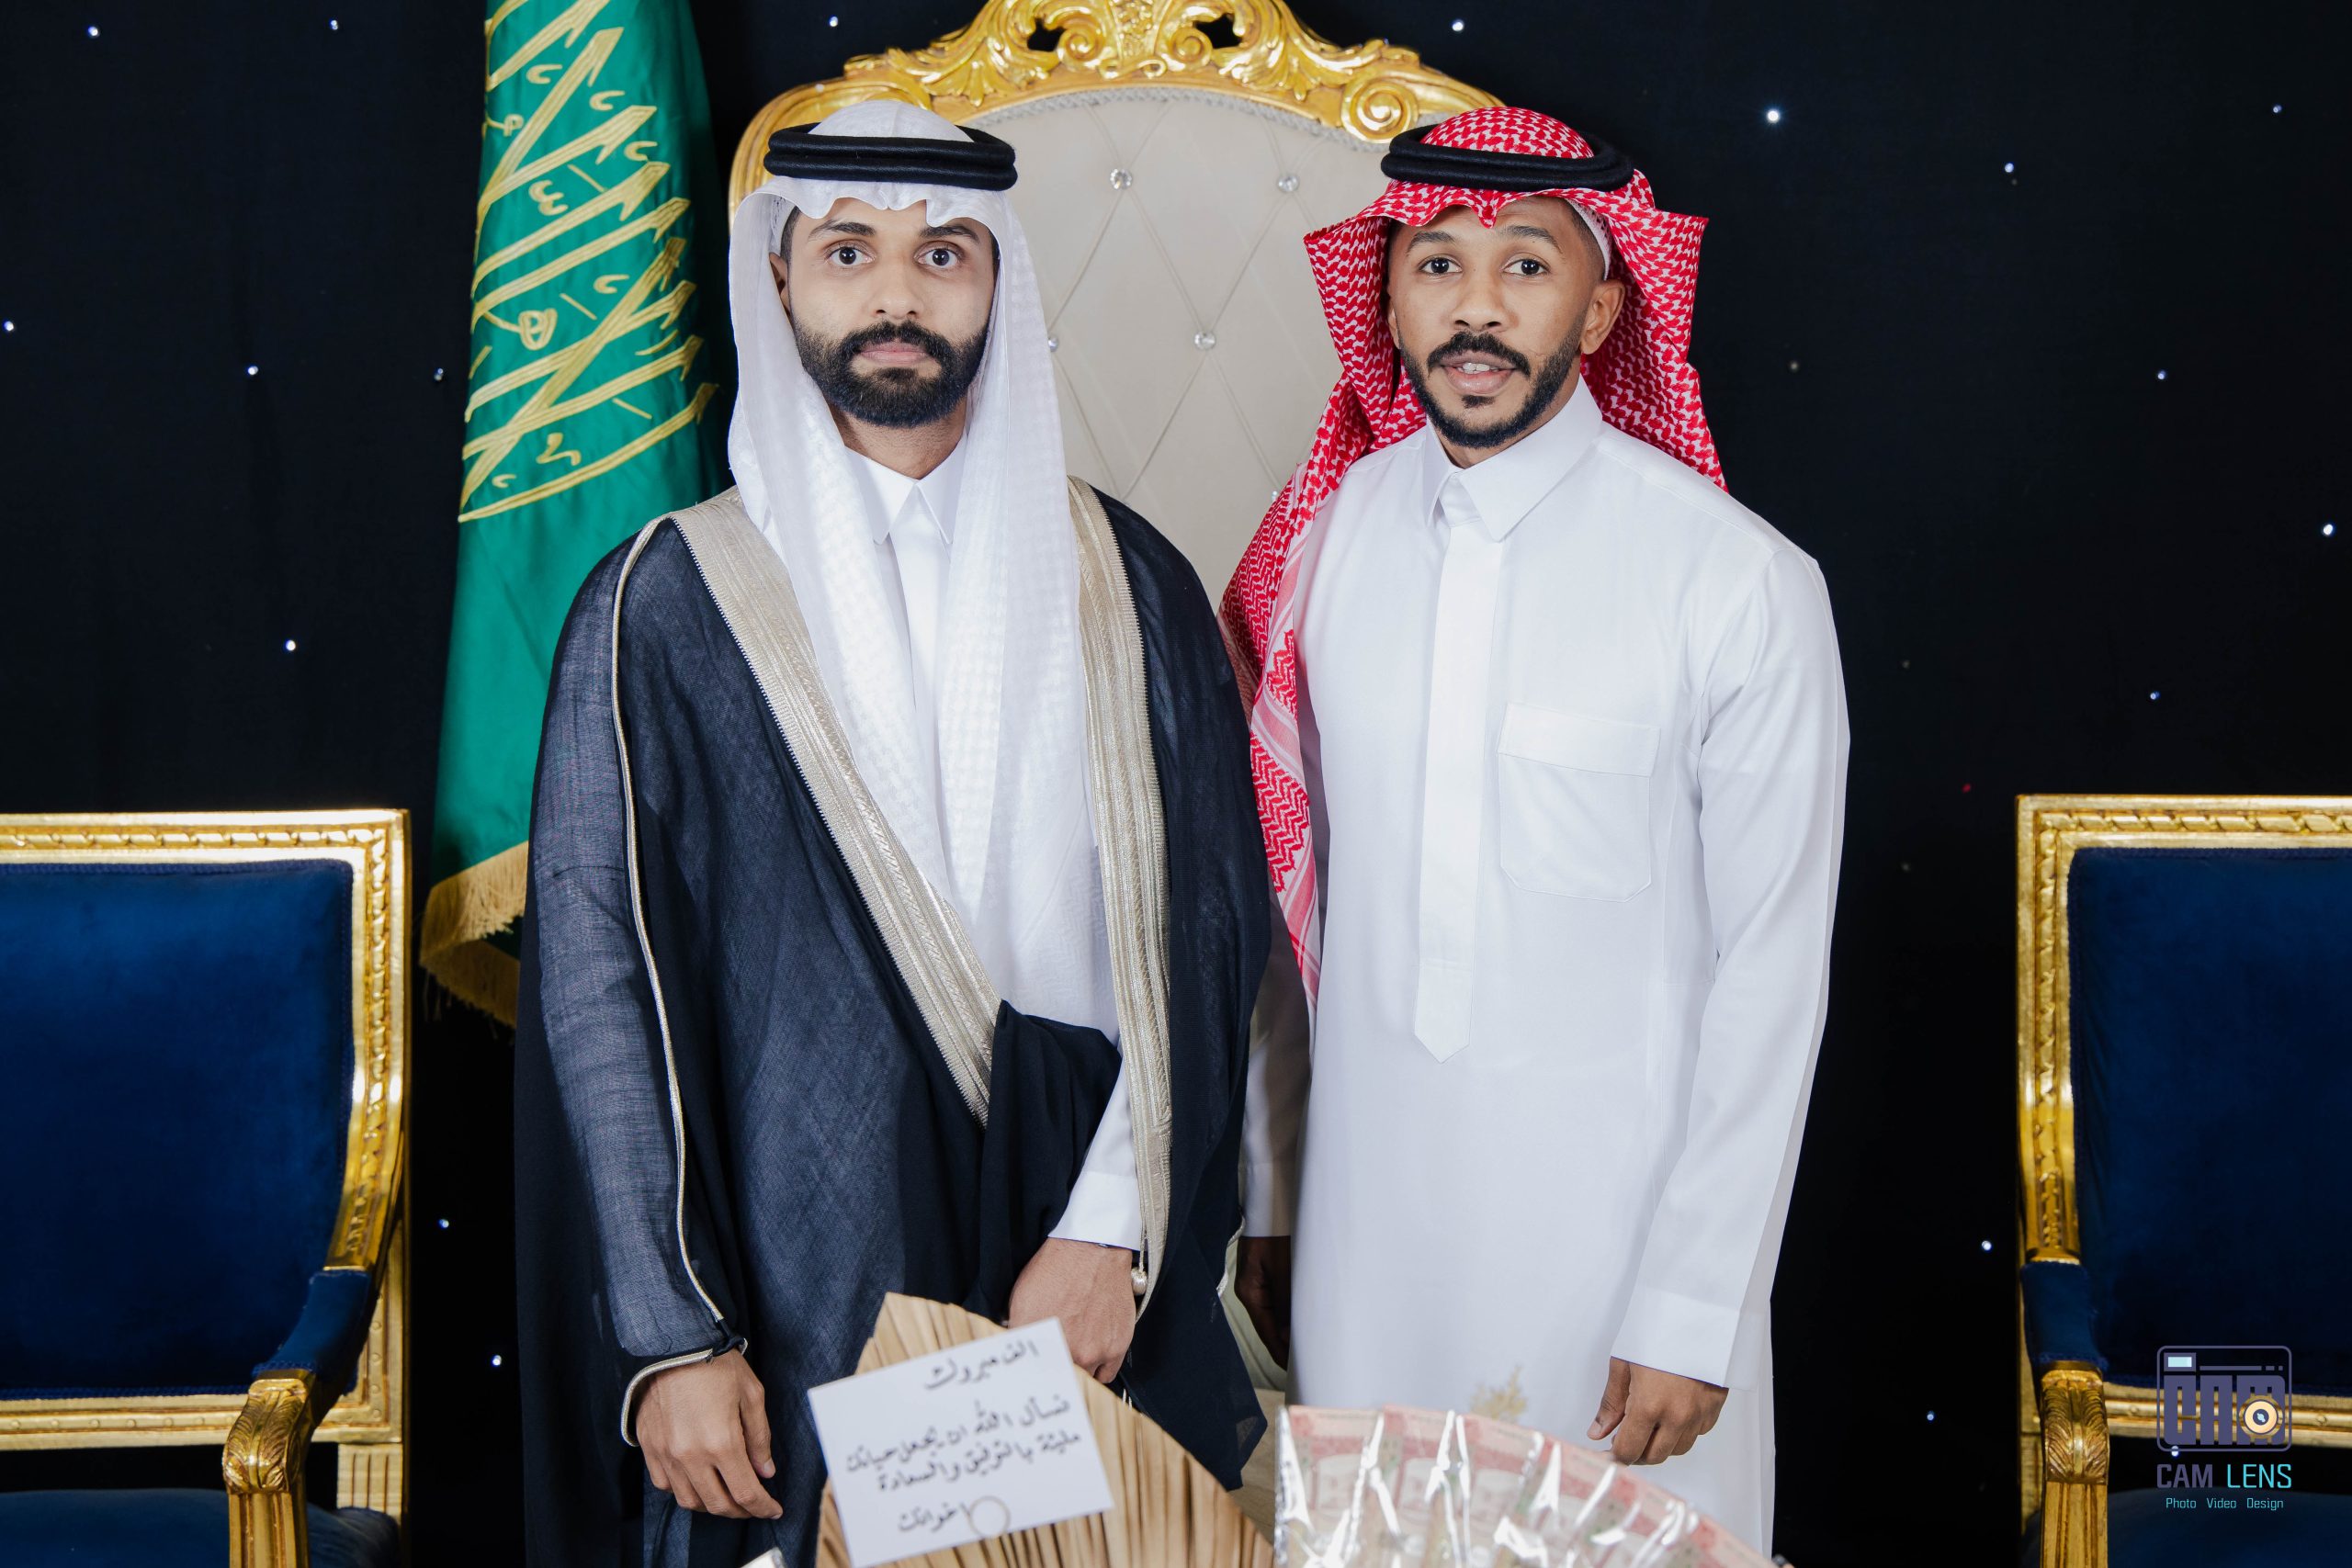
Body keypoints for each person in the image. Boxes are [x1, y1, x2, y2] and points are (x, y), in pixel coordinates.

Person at [513, 101, 1266, 1568]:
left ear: (1000, 285)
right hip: (792, 1275)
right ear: (781, 280)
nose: (898, 294)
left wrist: (1113, 1231)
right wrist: (673, 1337)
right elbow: (601, 987)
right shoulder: (666, 599)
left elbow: (1208, 933)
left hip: (1067, 1269)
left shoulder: (1130, 584)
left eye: (946, 254)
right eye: (849, 252)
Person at [1226, 107, 1848, 1551]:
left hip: (1618, 1264)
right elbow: (1282, 907)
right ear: (1387, 301)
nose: (1478, 309)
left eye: (1526, 265)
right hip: (1369, 1242)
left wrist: (1696, 1303)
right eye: (1438, 265)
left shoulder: (1735, 581)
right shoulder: (1324, 545)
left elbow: (1773, 971)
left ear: (1605, 306)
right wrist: (1273, 1198)